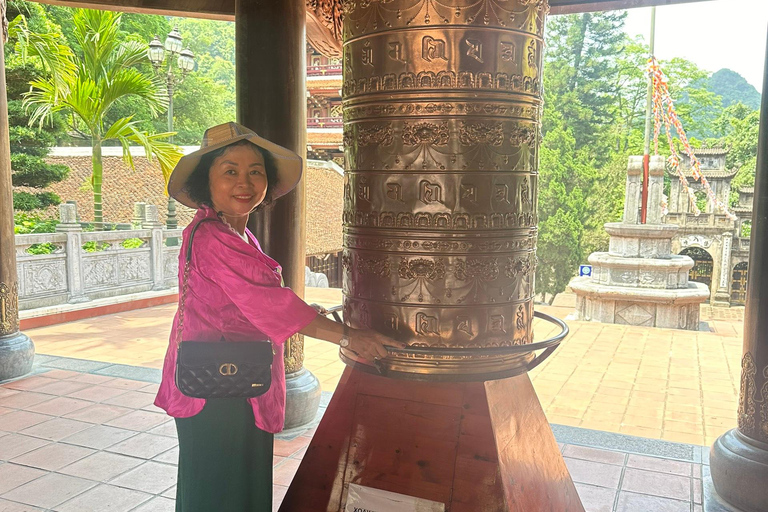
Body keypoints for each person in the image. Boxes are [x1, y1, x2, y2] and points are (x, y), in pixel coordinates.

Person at [154, 122, 401, 511]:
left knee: (238, 483)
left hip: (238, 379)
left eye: (256, 171)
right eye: (230, 171)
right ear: (207, 182)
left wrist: (311, 315)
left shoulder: (237, 233)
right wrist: (349, 337)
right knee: (218, 490)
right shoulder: (213, 237)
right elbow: (270, 304)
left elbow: (250, 303)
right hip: (218, 389)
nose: (245, 181)